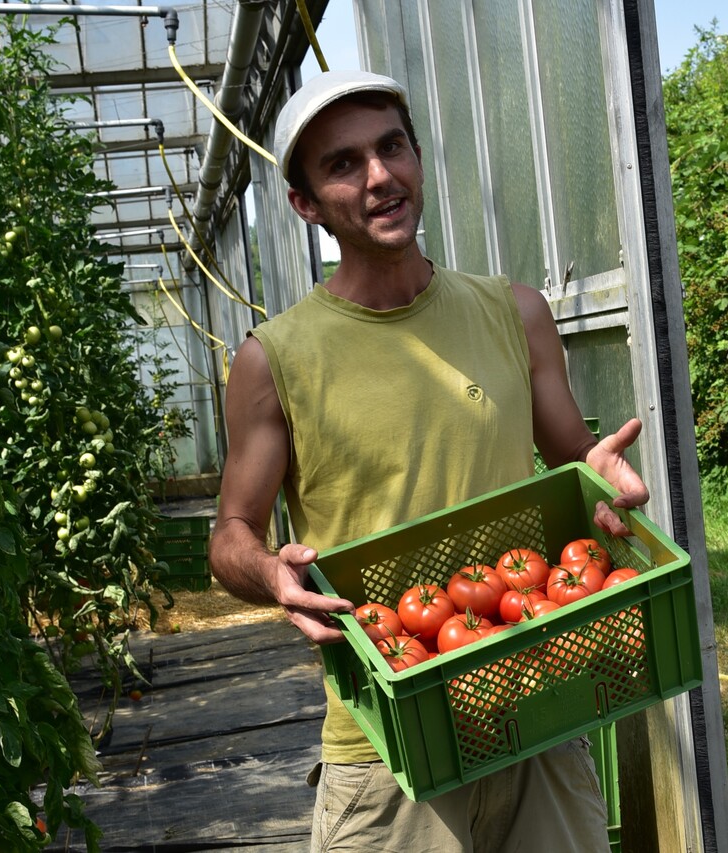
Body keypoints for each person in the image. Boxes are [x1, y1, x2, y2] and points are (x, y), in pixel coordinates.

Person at [209, 69, 650, 853]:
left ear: (417, 159)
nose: (379, 176)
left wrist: (597, 473)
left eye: (391, 148)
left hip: (538, 698)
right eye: (343, 164)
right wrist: (271, 573)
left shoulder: (513, 313)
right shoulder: (272, 360)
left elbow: (571, 452)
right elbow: (231, 532)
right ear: (304, 204)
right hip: (388, 741)